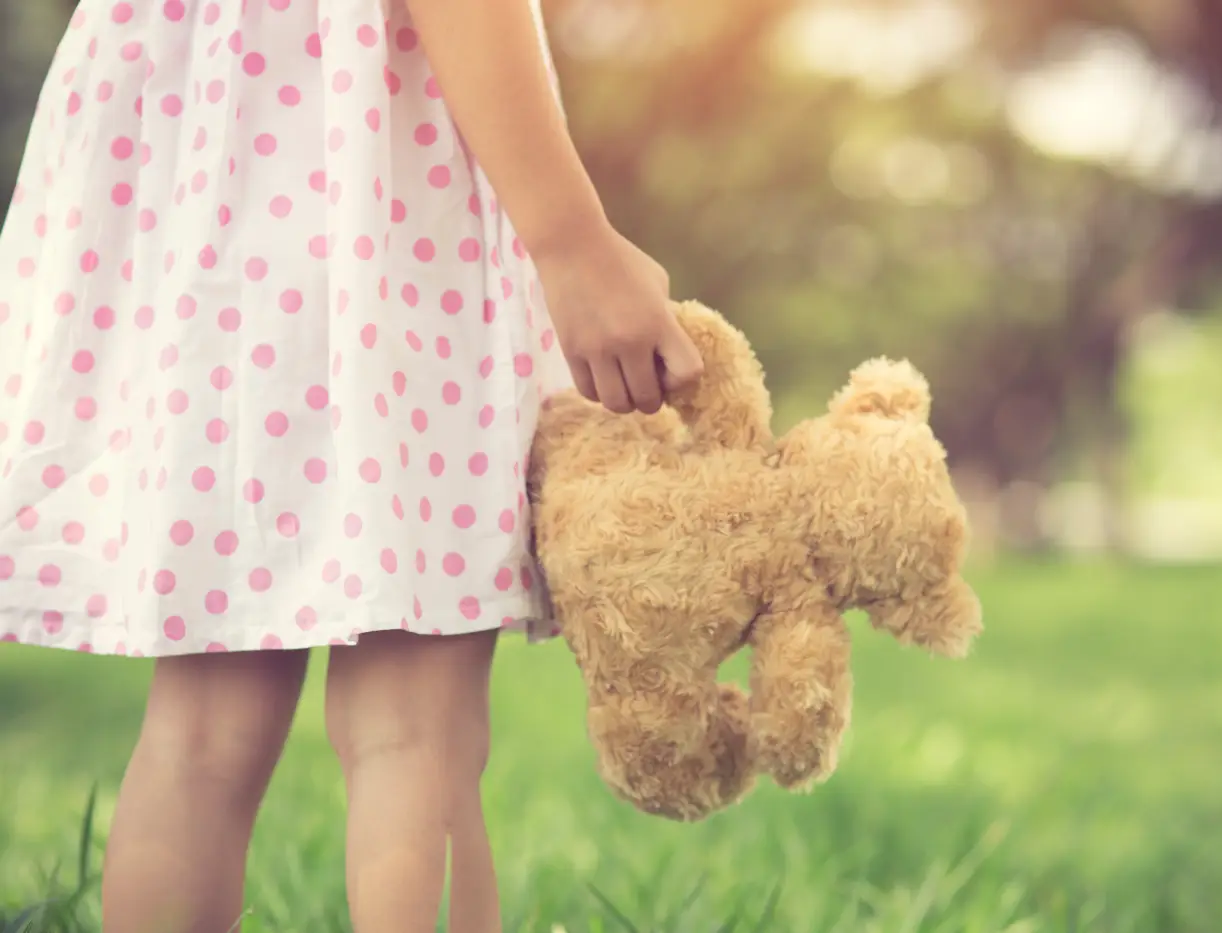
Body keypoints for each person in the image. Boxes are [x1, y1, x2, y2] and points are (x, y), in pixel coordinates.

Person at [0, 0, 704, 929]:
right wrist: (571, 242)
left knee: (202, 734)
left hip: (200, 174)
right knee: (417, 726)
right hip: (372, 180)